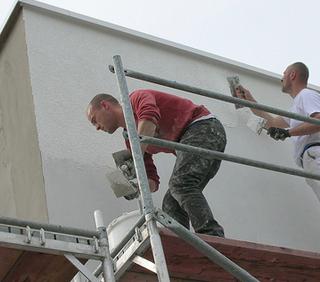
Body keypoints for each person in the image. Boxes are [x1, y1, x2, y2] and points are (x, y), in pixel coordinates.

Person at [87, 89, 226, 237]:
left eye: (94, 120)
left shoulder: (135, 99)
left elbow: (149, 117)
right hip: (196, 142)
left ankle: (212, 235)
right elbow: (152, 181)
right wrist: (136, 186)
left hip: (204, 127)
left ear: (105, 105)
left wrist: (133, 157)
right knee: (171, 203)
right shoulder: (130, 139)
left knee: (180, 185)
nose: (96, 127)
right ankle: (183, 242)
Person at [235, 62, 320, 202]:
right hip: (311, 158)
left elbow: (318, 120)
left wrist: (288, 133)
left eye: (284, 74)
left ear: (293, 75)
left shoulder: (306, 95)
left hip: (316, 154)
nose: (282, 78)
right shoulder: (296, 106)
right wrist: (249, 101)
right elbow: (272, 123)